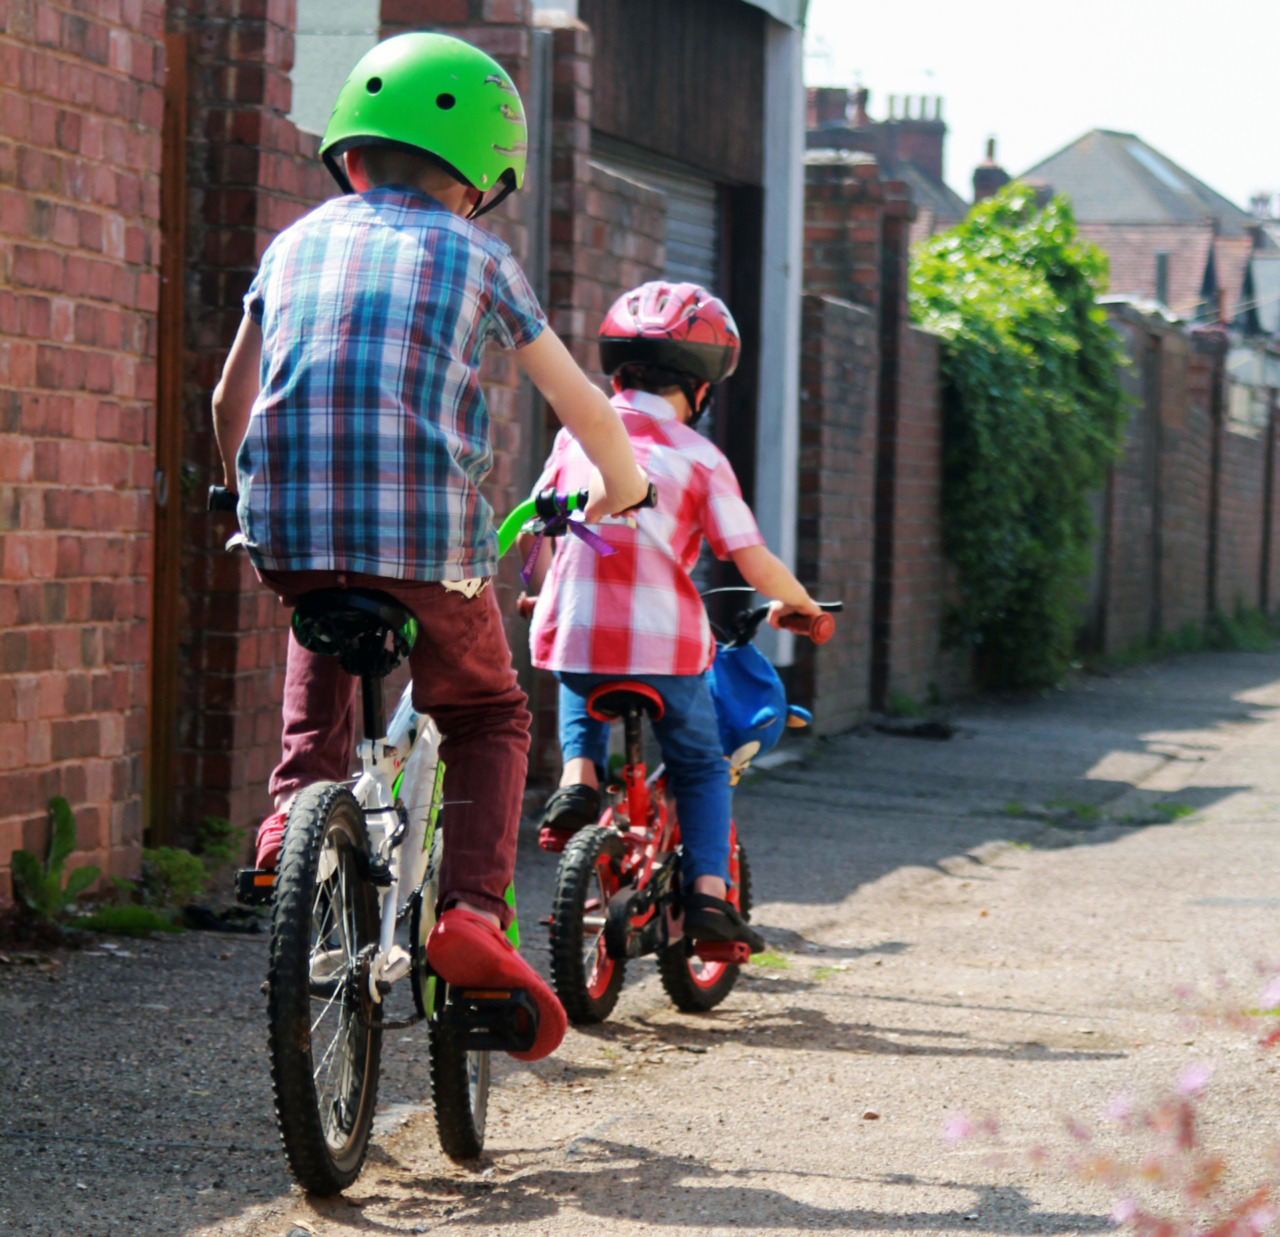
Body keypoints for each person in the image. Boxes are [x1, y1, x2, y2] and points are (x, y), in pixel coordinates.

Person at [209, 33, 648, 1061]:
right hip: (428, 545)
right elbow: (580, 404)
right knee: (489, 712)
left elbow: (227, 395)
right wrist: (624, 488)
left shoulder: (293, 244)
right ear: (482, 181)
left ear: (347, 157)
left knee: (320, 609)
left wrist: (241, 488)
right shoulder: (479, 256)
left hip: (291, 529)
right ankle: (470, 914)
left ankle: (287, 823)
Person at [523, 281, 822, 948]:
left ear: (619, 373)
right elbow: (750, 559)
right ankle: (711, 898)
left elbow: (540, 530)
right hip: (663, 650)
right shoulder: (701, 457)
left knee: (583, 678)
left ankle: (578, 779)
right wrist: (799, 603)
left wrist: (540, 591)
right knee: (699, 765)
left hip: (574, 628)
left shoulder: (577, 439)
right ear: (702, 390)